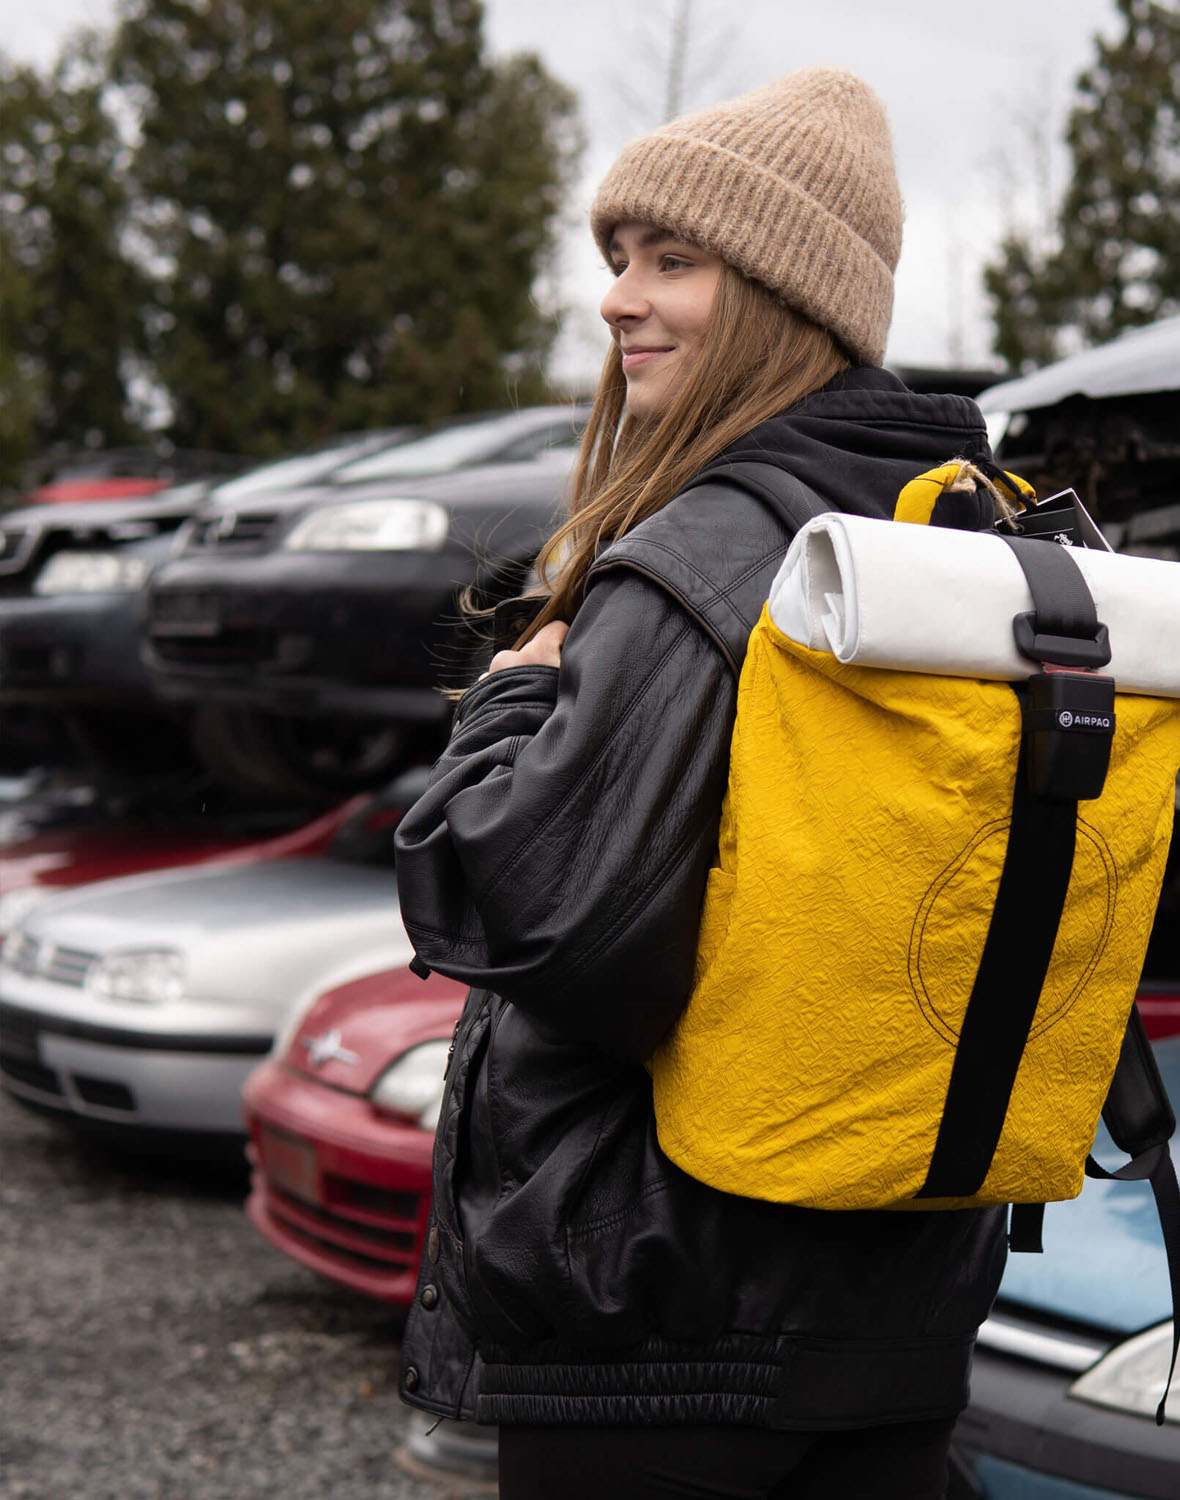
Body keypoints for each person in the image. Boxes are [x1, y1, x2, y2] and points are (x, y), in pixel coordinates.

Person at [394, 67, 1013, 1499]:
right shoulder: (952, 529)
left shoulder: (721, 544)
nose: (620, 299)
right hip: (895, 1287)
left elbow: (544, 922)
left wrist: (504, 711)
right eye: (619, 259)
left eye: (676, 261)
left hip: (664, 1323)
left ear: (790, 298)